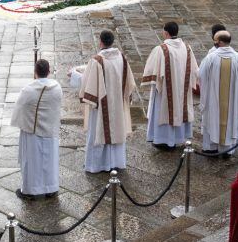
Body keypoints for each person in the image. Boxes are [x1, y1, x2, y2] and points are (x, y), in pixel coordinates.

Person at [79, 30, 136, 172]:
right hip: (117, 105)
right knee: (116, 130)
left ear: (101, 41)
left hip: (101, 108)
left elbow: (88, 85)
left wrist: (74, 75)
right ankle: (116, 163)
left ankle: (97, 165)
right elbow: (129, 83)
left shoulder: (97, 61)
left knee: (98, 132)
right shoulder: (121, 58)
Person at [142, 21, 199, 149]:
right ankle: (178, 138)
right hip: (182, 91)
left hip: (166, 92)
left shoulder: (161, 49)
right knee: (179, 110)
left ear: (166, 33)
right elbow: (195, 70)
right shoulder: (187, 48)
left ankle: (163, 140)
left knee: (164, 111)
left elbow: (152, 72)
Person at [13, 59, 62, 198]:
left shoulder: (28, 90)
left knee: (32, 162)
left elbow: (20, 107)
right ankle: (51, 188)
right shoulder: (57, 87)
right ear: (49, 71)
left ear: (35, 72)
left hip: (32, 131)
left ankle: (31, 191)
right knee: (50, 160)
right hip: (50, 130)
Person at [198, 30, 238, 156]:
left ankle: (211, 148)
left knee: (212, 120)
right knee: (230, 121)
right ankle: (228, 150)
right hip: (231, 104)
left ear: (220, 42)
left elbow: (201, 75)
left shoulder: (211, 57)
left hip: (213, 100)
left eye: (215, 41)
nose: (214, 43)